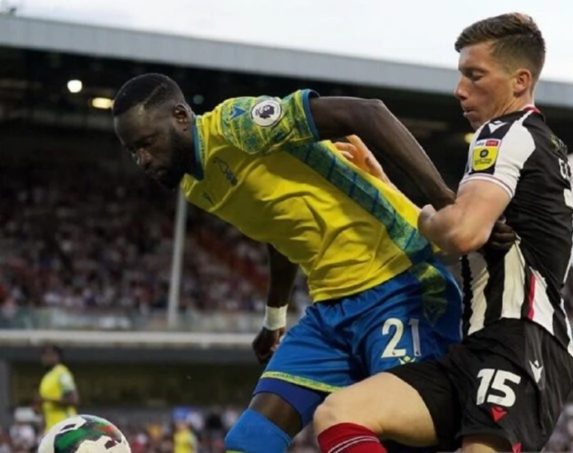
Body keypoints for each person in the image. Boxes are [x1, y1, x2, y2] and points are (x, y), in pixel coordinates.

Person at [112, 74, 485, 453]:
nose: (142, 160)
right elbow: (280, 230)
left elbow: (367, 112)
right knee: (249, 442)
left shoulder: (236, 125)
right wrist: (274, 317)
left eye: (146, 143)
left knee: (402, 435)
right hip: (330, 309)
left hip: (400, 282)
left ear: (179, 116)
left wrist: (445, 201)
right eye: (132, 151)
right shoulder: (196, 186)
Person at [314, 13, 573, 453]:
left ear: (519, 81)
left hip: (518, 339)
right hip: (473, 348)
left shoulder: (502, 133)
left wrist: (430, 219)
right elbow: (455, 224)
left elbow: (459, 234)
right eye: (460, 76)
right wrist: (384, 184)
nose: (460, 90)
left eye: (475, 76)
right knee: (339, 413)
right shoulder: (535, 139)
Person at [35, 344, 79, 431]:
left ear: (57, 356)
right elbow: (44, 406)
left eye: (48, 354)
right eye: (43, 355)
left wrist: (46, 399)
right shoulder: (46, 377)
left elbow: (73, 400)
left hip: (65, 426)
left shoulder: (62, 373)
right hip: (51, 428)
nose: (45, 358)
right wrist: (38, 406)